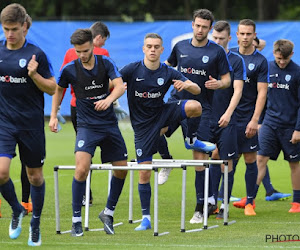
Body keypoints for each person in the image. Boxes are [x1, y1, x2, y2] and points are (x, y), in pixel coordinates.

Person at [120, 32, 215, 231]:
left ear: (162, 50)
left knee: (195, 106)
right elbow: (113, 82)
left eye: (156, 47)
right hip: (143, 126)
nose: (153, 50)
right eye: (149, 46)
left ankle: (191, 139)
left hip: (163, 113)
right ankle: (145, 219)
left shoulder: (168, 71)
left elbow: (197, 89)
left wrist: (187, 84)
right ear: (144, 49)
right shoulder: (132, 69)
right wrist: (113, 94)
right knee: (144, 173)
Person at [49, 28, 128, 236]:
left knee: (122, 168)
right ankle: (76, 221)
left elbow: (120, 86)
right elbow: (59, 90)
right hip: (86, 126)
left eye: (85, 50)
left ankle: (108, 213)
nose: (82, 55)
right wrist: (54, 115)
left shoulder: (106, 63)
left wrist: (109, 100)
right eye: (78, 51)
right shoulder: (69, 69)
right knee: (81, 169)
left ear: (93, 45)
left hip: (109, 124)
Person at [161, 9, 231, 224]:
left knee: (199, 158)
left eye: (204, 27)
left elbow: (227, 80)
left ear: (210, 29)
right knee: (155, 130)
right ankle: (166, 161)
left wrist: (218, 84)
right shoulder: (180, 47)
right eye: (197, 25)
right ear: (192, 24)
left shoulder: (217, 52)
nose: (200, 30)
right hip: (176, 102)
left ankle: (200, 208)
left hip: (202, 109)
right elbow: (166, 68)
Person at [0, 3, 56, 246]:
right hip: (4, 123)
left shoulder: (37, 55)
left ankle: (36, 223)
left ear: (24, 26)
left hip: (31, 125)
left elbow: (52, 88)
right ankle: (16, 209)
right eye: (5, 29)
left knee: (34, 177)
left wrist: (34, 76)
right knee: (1, 172)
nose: (9, 34)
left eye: (13, 29)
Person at [253, 39, 300, 213]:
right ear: (274, 53)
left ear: (292, 55)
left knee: (294, 164)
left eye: (285, 59)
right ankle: (250, 201)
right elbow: (262, 97)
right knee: (260, 159)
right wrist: (259, 121)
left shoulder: (297, 72)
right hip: (269, 124)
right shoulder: (267, 68)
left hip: (290, 127)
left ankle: (297, 202)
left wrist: (298, 129)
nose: (281, 62)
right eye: (279, 58)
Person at [230, 19, 269, 216]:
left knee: (250, 158)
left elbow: (262, 93)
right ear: (236, 35)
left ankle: (249, 203)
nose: (245, 37)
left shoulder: (260, 61)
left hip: (247, 117)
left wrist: (255, 120)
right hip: (228, 116)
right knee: (224, 158)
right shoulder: (227, 55)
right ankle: (218, 201)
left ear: (254, 35)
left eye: (249, 34)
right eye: (242, 33)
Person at [209, 20, 245, 219]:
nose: (217, 41)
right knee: (211, 158)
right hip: (207, 117)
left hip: (227, 117)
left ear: (229, 39)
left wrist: (228, 113)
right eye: (214, 38)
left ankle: (224, 205)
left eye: (221, 39)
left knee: (227, 160)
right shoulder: (205, 57)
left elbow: (238, 90)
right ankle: (210, 201)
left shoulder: (237, 60)